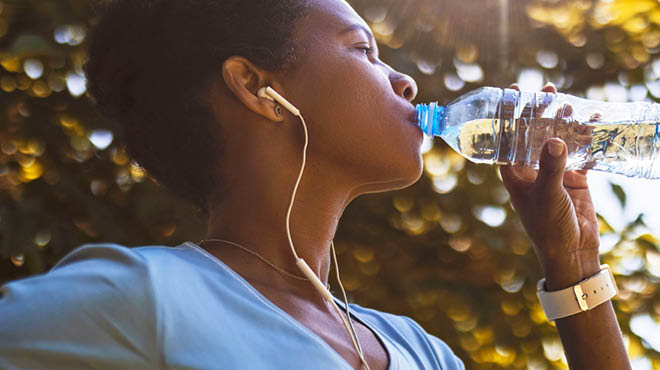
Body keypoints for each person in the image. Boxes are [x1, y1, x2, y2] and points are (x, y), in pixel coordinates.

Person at [0, 0, 631, 369]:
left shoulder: (420, 352)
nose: (405, 82)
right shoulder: (143, 301)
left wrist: (574, 269)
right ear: (255, 88)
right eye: (363, 50)